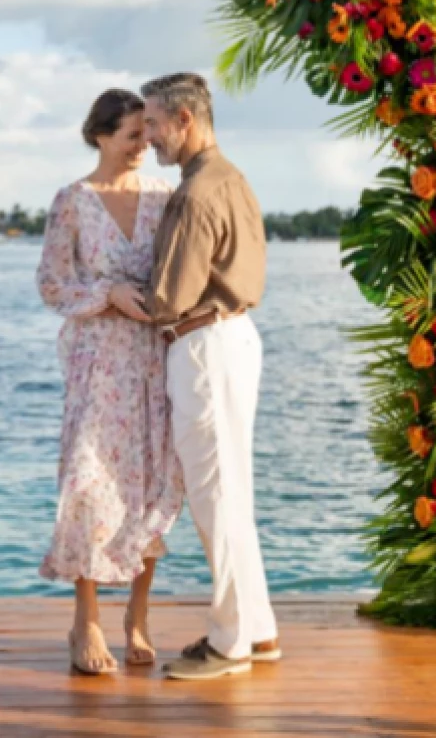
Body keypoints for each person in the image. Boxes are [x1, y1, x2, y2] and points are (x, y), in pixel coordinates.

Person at [127, 72, 280, 682]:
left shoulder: (193, 194)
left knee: (217, 500)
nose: (150, 137)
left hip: (203, 344)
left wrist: (113, 294)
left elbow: (169, 297)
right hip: (232, 338)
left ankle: (230, 643)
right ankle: (257, 630)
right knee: (231, 494)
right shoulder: (231, 178)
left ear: (184, 120)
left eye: (155, 124)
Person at [35, 89, 184, 676]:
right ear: (100, 136)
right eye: (132, 136)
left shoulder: (163, 196)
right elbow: (52, 286)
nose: (145, 145)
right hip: (97, 363)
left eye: (148, 134)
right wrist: (107, 295)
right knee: (88, 485)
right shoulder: (72, 202)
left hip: (154, 356)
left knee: (149, 485)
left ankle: (139, 615)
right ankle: (87, 620)